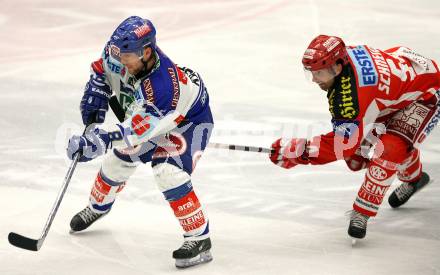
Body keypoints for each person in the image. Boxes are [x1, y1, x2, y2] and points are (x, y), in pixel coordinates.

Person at [66, 16, 213, 268]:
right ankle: (98, 207)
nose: (121, 63)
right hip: (148, 116)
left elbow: (134, 131)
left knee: (167, 171)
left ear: (146, 52)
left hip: (187, 122)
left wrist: (97, 140)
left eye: (127, 59)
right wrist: (97, 89)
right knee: (116, 162)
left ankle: (200, 238)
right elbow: (102, 68)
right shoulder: (119, 52)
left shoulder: (163, 88)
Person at [269, 35, 440, 240]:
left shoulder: (351, 95)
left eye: (319, 73)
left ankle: (362, 212)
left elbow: (342, 145)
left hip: (427, 95)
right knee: (358, 157)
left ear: (336, 68)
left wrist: (298, 152)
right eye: (311, 73)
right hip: (398, 87)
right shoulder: (343, 58)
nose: (314, 79)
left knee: (389, 149)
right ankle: (415, 179)